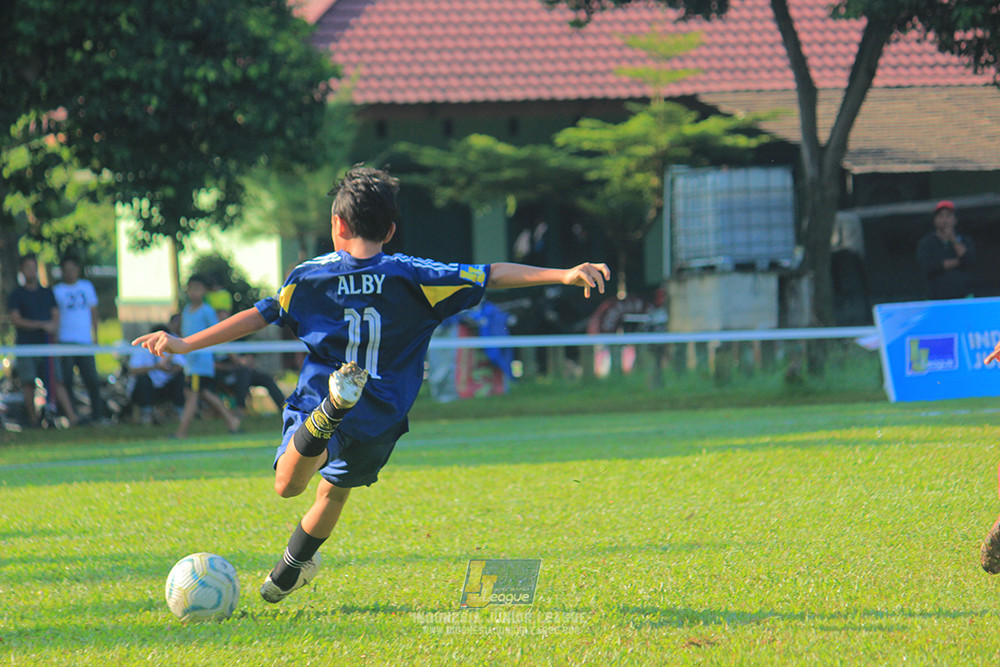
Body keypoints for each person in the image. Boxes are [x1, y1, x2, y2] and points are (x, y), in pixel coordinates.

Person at [133, 165, 609, 604]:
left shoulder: (310, 277)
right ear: (390, 230)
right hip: (381, 413)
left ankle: (327, 415)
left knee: (288, 484)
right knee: (333, 492)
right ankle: (290, 569)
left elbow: (259, 315)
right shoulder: (416, 275)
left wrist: (185, 343)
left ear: (337, 225)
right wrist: (563, 273)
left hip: (324, 394)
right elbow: (491, 274)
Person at [7, 254, 78, 427]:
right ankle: (33, 420)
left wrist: (52, 326)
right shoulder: (17, 294)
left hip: (48, 346)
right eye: (28, 268)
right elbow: (15, 319)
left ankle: (72, 418)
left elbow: (55, 315)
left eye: (34, 267)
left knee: (56, 381)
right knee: (28, 382)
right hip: (26, 345)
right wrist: (40, 325)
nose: (32, 271)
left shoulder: (47, 293)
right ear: (22, 270)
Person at [173, 275, 241, 438]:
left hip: (201, 361)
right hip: (190, 360)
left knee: (193, 394)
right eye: (191, 288)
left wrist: (231, 355)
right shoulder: (186, 311)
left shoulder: (207, 311)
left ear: (204, 291)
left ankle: (181, 431)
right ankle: (231, 420)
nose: (194, 293)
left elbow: (218, 332)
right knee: (204, 393)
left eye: (198, 288)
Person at [53, 254, 108, 423]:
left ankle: (97, 415)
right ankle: (72, 416)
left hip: (84, 340)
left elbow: (93, 311)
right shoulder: (57, 290)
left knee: (91, 379)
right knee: (67, 380)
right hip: (65, 340)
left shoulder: (86, 286)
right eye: (66, 270)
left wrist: (95, 335)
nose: (70, 273)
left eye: (72, 269)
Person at [915, 200, 976, 300]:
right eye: (940, 216)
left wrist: (953, 240)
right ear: (935, 220)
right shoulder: (926, 243)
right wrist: (959, 261)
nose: (944, 220)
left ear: (955, 220)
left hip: (963, 295)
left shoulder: (965, 240)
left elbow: (969, 260)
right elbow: (928, 266)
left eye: (948, 216)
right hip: (936, 297)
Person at [128, 325, 185, 424]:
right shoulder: (142, 349)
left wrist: (172, 368)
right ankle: (146, 413)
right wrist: (156, 367)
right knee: (143, 379)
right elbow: (133, 369)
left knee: (181, 378)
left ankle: (178, 411)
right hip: (147, 388)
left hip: (165, 386)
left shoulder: (170, 347)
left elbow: (182, 365)